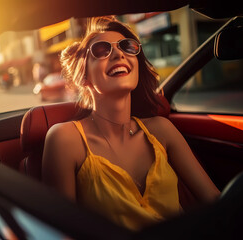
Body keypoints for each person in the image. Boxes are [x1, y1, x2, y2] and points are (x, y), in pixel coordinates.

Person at [42, 16, 220, 231]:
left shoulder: (161, 130)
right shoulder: (65, 139)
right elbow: (61, 232)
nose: (118, 54)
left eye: (127, 47)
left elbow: (217, 204)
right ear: (84, 76)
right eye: (101, 50)